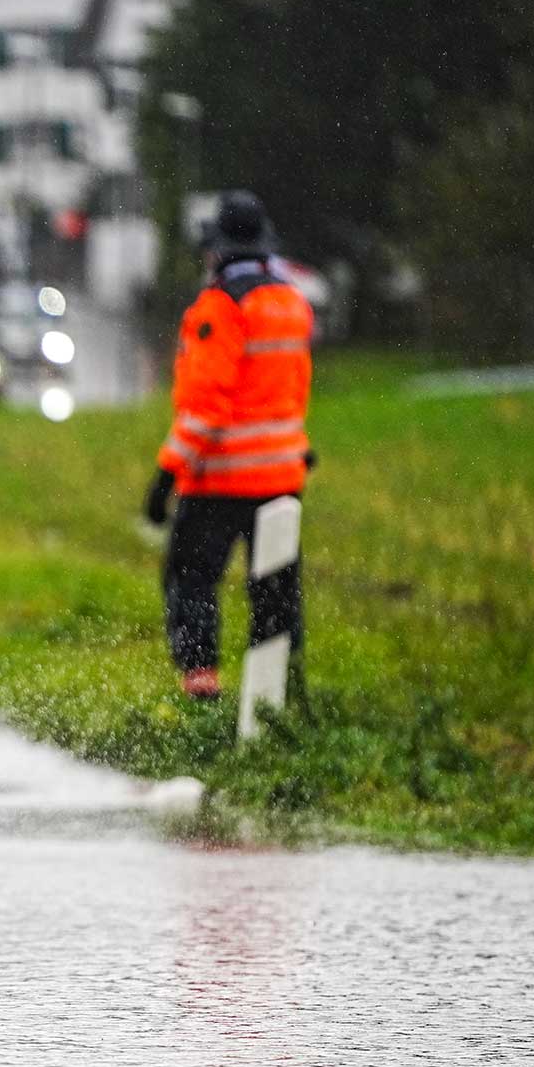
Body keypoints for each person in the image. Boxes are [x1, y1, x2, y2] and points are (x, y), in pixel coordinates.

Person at [144, 189, 312, 700]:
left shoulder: (219, 308)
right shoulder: (290, 303)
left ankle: (202, 681)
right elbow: (291, 390)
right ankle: (277, 691)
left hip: (219, 479)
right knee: (276, 588)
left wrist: (167, 475)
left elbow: (206, 407)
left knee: (191, 577)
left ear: (215, 250)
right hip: (281, 477)